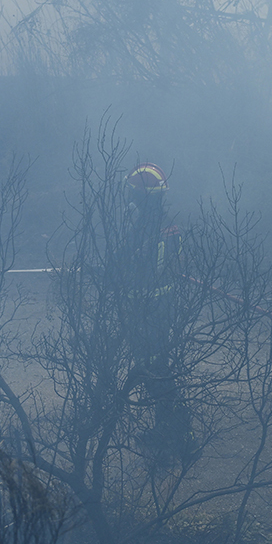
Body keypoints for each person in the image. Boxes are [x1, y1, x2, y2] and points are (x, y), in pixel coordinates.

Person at [121, 163, 192, 463]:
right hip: (163, 306)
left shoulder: (146, 230)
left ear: (142, 197)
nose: (129, 199)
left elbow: (138, 269)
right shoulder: (169, 223)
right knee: (157, 368)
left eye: (133, 194)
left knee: (155, 371)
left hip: (149, 309)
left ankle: (177, 433)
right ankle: (168, 428)